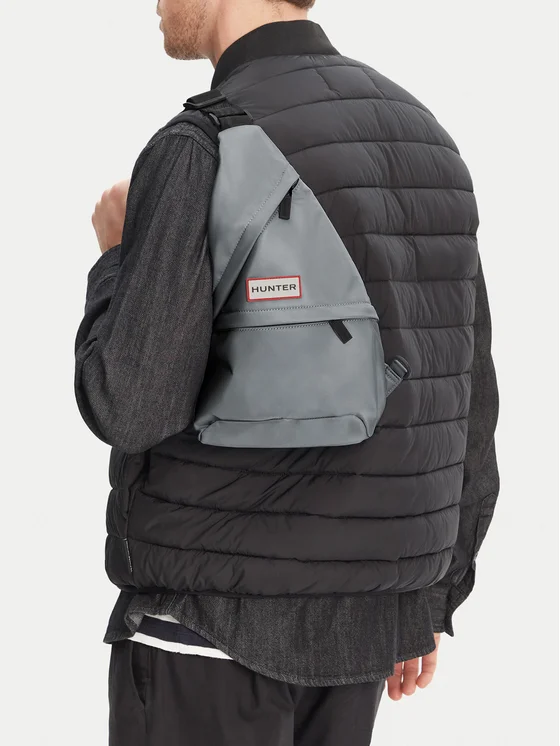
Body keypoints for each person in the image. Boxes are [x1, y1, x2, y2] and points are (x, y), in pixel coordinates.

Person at [74, 1, 500, 744]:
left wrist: (116, 256)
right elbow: (464, 395)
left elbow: (129, 404)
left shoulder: (205, 143)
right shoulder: (426, 141)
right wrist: (427, 599)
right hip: (363, 634)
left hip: (207, 623)